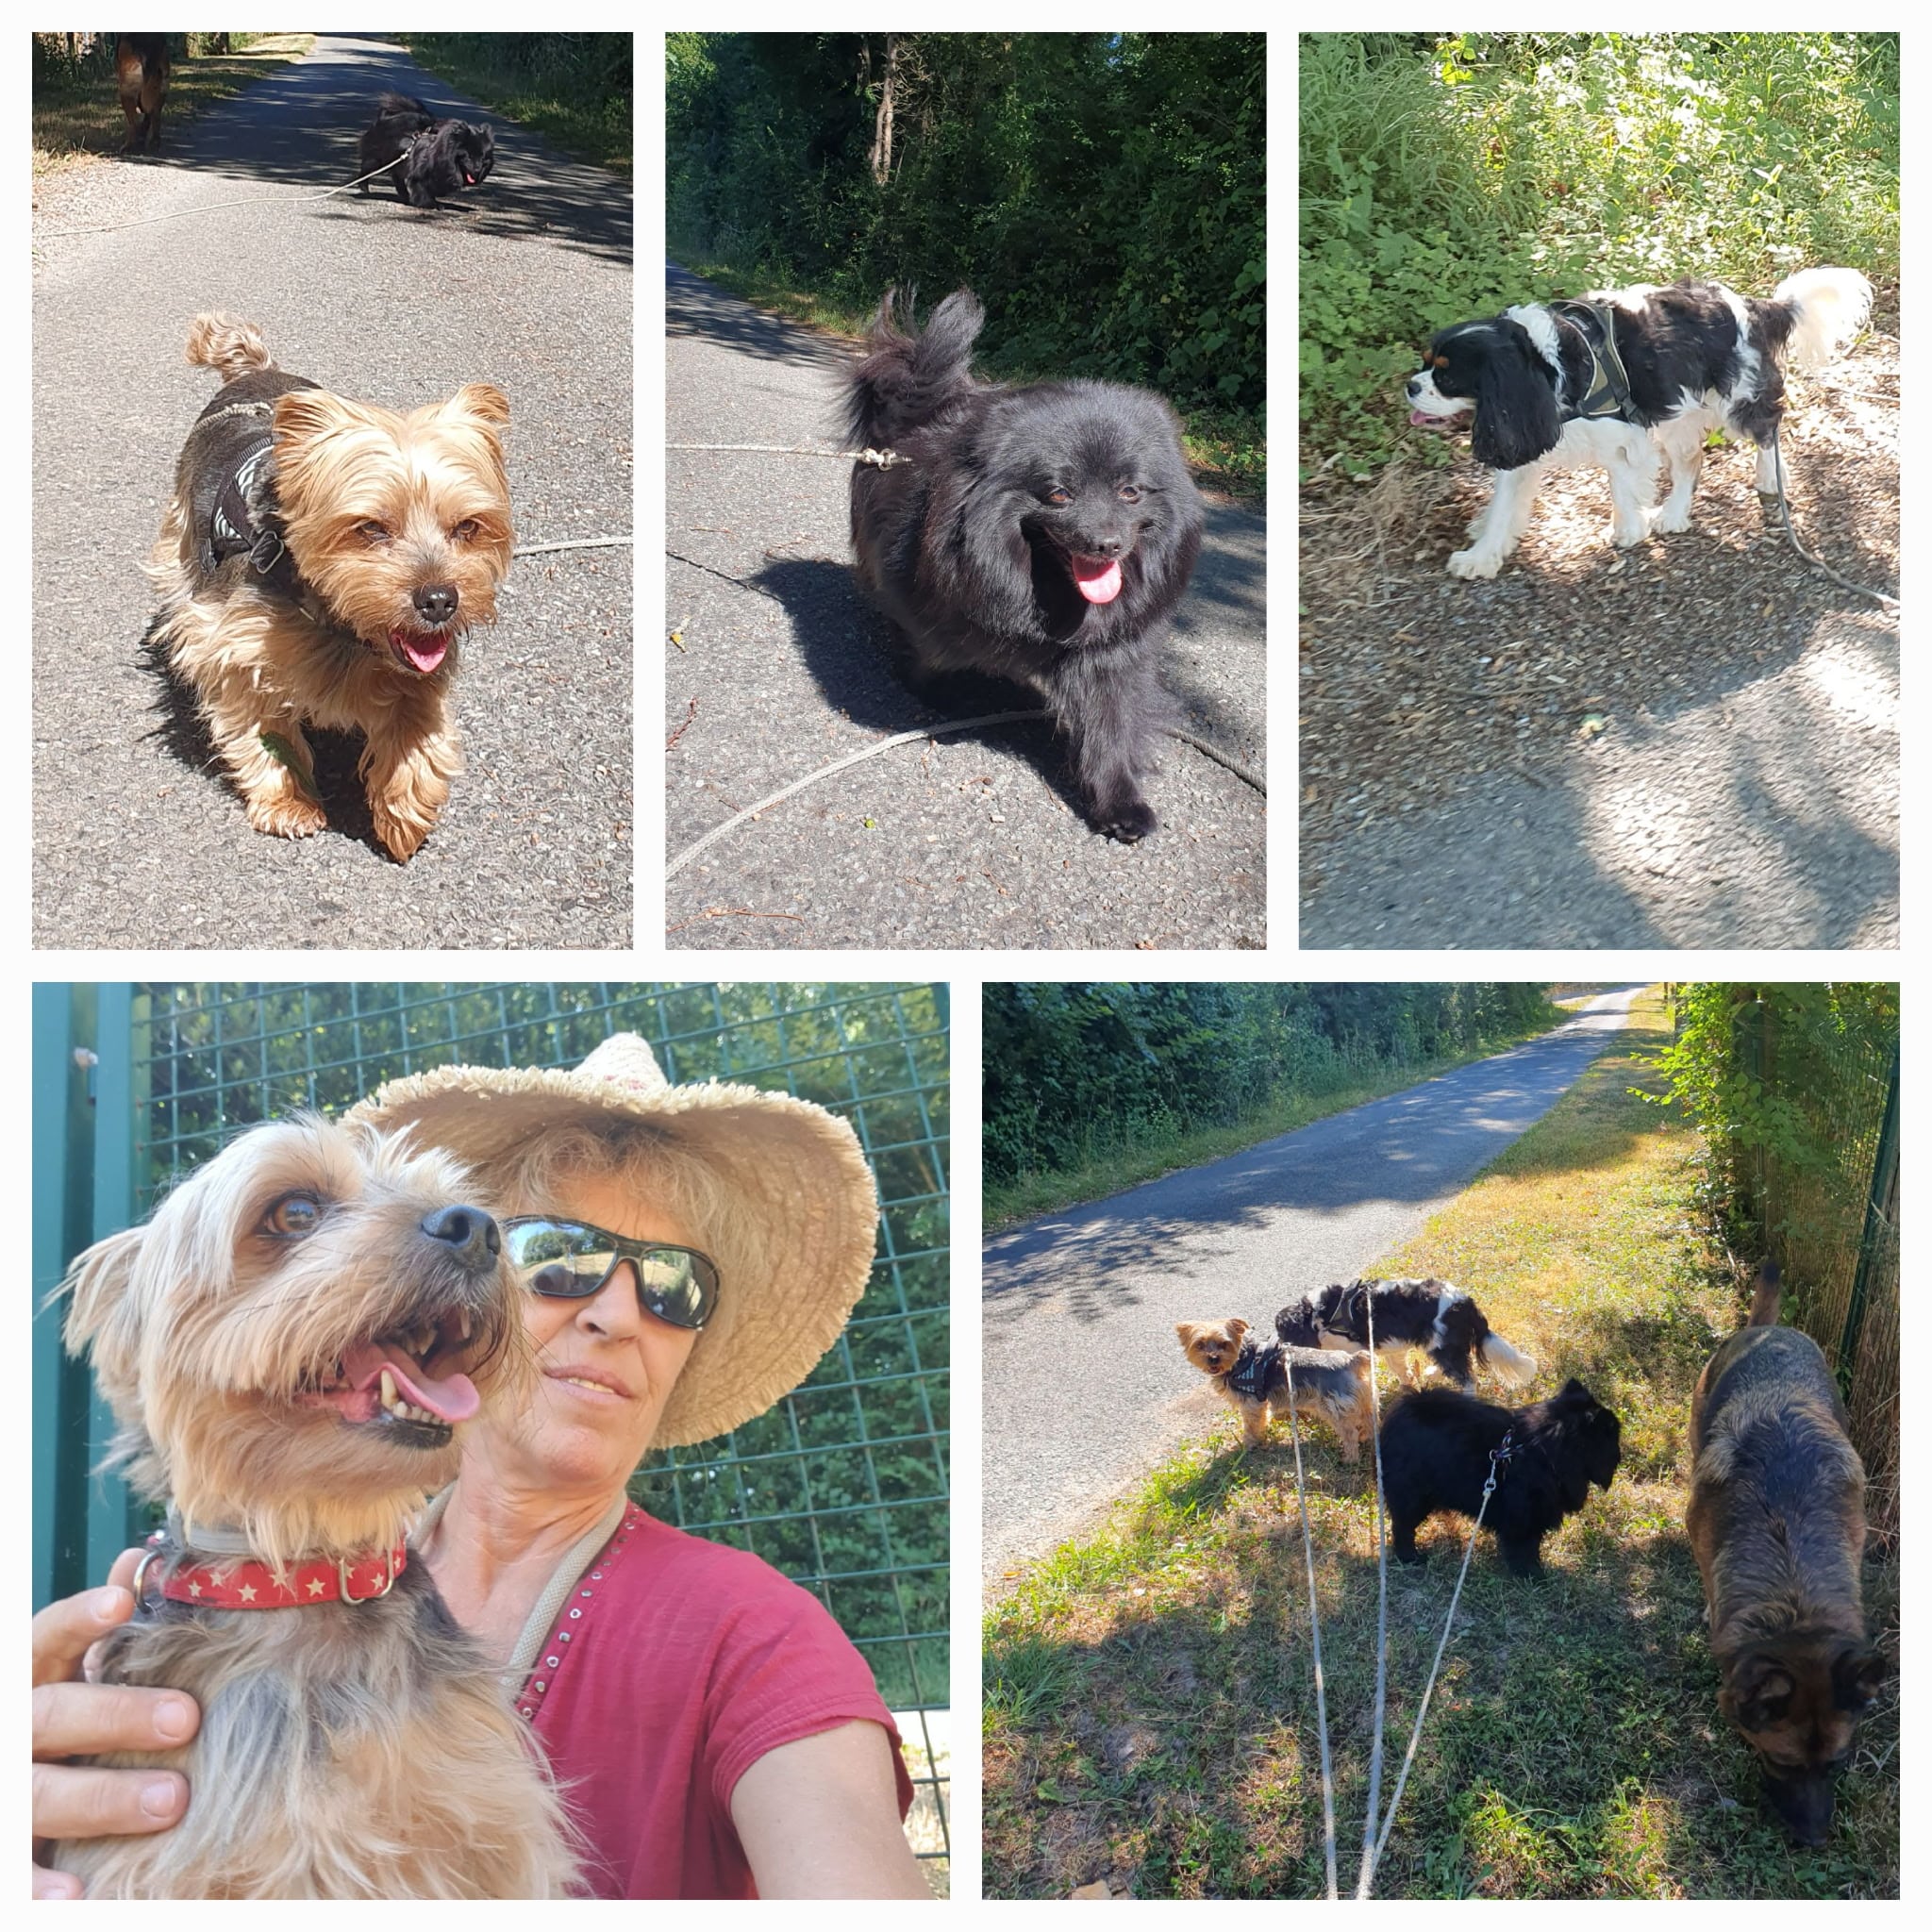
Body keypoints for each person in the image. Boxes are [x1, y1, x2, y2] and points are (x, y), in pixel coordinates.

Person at [33, 1035, 934, 1900]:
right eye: (555, 1253)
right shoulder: (111, 1654)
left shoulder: (757, 1637)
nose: (619, 1315)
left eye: (674, 1285)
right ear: (133, 1323)